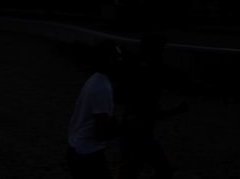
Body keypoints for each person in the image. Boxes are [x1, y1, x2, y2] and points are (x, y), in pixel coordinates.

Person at [118, 33, 188, 178]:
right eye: (161, 49)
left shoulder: (137, 70)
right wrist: (178, 110)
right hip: (140, 133)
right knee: (161, 170)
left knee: (131, 170)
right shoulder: (149, 75)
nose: (162, 53)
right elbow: (150, 112)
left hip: (133, 131)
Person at [67, 40, 122, 178]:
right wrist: (122, 128)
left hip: (78, 149)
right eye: (118, 57)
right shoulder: (102, 88)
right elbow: (100, 133)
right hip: (88, 155)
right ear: (110, 61)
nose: (121, 61)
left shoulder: (95, 80)